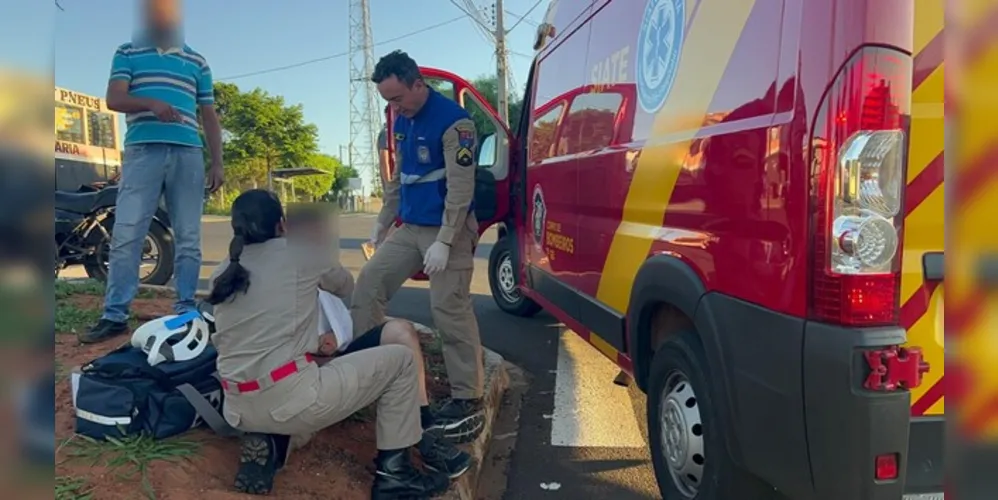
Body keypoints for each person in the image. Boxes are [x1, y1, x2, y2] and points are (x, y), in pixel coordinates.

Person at [206, 190, 471, 498]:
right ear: (282, 224)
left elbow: (261, 327)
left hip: (237, 405)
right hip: (290, 394)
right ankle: (395, 476)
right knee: (402, 360)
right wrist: (316, 242)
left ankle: (275, 440)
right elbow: (344, 285)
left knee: (295, 404)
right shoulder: (302, 254)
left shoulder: (223, 271)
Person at [352, 50, 485, 443]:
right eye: (387, 101)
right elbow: (400, 179)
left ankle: (468, 396)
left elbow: (461, 190)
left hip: (451, 228)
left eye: (397, 98)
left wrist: (445, 242)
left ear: (417, 85)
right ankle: (372, 372)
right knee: (369, 284)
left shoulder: (455, 124)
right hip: (410, 227)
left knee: (449, 309)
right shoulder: (402, 121)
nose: (393, 108)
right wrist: (381, 223)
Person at [83, 0, 224, 344]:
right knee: (128, 232)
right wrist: (151, 103)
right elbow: (114, 99)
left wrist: (217, 161)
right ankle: (115, 314)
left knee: (189, 236)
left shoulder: (197, 61)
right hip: (143, 151)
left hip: (188, 153)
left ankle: (186, 310)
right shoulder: (128, 51)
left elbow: (208, 115)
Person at [285, 206, 436, 413]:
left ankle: (421, 414)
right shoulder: (302, 260)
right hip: (308, 367)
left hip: (324, 353)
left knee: (401, 331)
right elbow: (344, 285)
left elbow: (342, 288)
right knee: (397, 345)